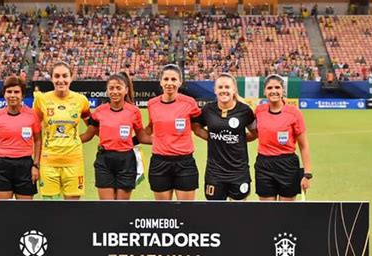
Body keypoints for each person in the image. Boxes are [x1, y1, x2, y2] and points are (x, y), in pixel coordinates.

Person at [80, 72, 151, 200]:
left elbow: (142, 137)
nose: (115, 91)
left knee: (121, 208)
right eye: (111, 88)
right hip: (104, 161)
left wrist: (166, 140)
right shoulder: (99, 112)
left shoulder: (134, 111)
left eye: (118, 88)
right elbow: (87, 135)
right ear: (107, 91)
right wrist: (65, 141)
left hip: (126, 161)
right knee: (107, 207)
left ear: (126, 90)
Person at [192, 73, 256, 201]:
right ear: (215, 90)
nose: (224, 90)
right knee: (215, 213)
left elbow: (255, 132)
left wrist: (239, 139)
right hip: (214, 173)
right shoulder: (207, 110)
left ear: (234, 90)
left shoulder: (245, 111)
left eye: (227, 87)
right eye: (220, 87)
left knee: (238, 214)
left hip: (239, 172)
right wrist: (213, 137)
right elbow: (196, 128)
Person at [33, 61, 90, 200]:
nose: (61, 80)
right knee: (50, 211)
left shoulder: (81, 100)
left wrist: (77, 140)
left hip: (73, 162)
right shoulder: (42, 100)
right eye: (56, 76)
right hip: (48, 162)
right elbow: (34, 129)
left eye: (65, 76)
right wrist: (35, 162)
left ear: (71, 77)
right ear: (51, 78)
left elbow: (92, 126)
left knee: (72, 212)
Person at [145, 64, 201, 200]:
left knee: (186, 212)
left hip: (184, 163)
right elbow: (149, 129)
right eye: (166, 79)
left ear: (180, 82)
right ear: (161, 82)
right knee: (164, 212)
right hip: (159, 163)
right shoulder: (152, 104)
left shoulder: (189, 103)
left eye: (174, 79)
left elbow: (198, 128)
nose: (169, 83)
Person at [253, 74, 312, 201]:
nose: (273, 91)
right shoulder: (259, 111)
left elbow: (304, 145)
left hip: (287, 165)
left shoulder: (294, 113)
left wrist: (307, 174)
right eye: (269, 88)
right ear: (264, 91)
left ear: (282, 90)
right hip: (264, 165)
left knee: (286, 212)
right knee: (267, 212)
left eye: (277, 87)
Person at [0, 76, 41, 199]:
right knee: (3, 211)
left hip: (25, 166)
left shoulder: (32, 116)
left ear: (22, 95)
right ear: (4, 94)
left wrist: (36, 165)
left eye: (16, 92)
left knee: (24, 212)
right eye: (9, 92)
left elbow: (38, 140)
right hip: (1, 166)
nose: (12, 95)